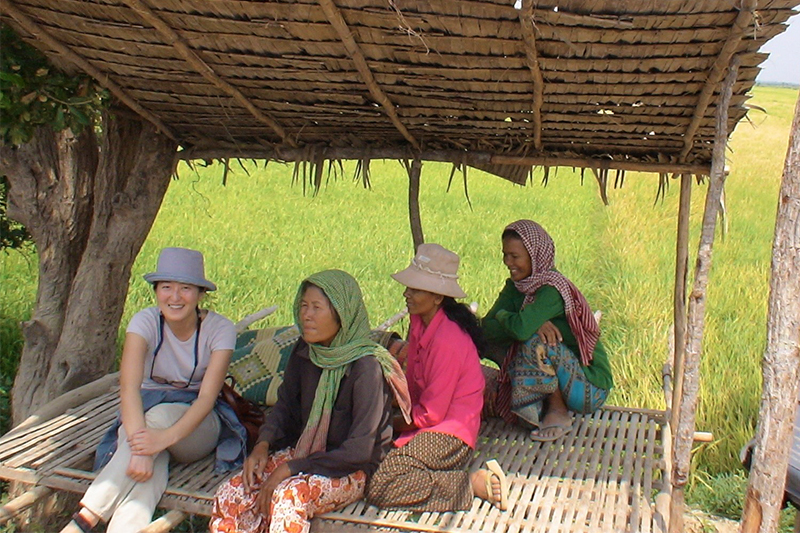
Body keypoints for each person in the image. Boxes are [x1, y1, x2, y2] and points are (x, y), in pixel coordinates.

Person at [210, 269, 410, 533]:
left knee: (289, 497)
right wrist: (262, 445)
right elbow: (284, 407)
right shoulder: (305, 351)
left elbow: (359, 452)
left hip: (350, 470)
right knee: (233, 492)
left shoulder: (367, 368)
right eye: (304, 306)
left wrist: (290, 469)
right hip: (305, 453)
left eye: (317, 307)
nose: (306, 315)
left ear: (342, 314)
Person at [61, 247, 244, 533]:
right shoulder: (144, 322)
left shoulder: (220, 329)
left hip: (197, 425)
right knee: (149, 460)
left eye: (185, 288)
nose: (175, 297)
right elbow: (129, 389)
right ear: (156, 290)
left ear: (199, 294)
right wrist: (144, 450)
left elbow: (207, 399)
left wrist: (160, 440)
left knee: (152, 425)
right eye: (166, 287)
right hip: (146, 417)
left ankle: (83, 520)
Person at [366, 243, 508, 512]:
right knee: (370, 461)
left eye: (415, 289)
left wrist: (392, 423)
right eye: (409, 287)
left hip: (449, 433)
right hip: (424, 425)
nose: (407, 294)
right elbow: (413, 385)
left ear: (438, 297)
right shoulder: (420, 322)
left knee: (381, 486)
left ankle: (469, 485)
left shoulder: (448, 340)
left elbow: (432, 414)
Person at [482, 220, 613, 442]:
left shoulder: (552, 289)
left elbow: (522, 329)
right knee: (494, 341)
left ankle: (558, 411)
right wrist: (523, 319)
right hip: (564, 378)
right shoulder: (516, 287)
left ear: (535, 256)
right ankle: (534, 402)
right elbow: (487, 329)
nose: (507, 262)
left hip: (589, 386)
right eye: (505, 255)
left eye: (515, 256)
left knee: (535, 339)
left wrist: (508, 317)